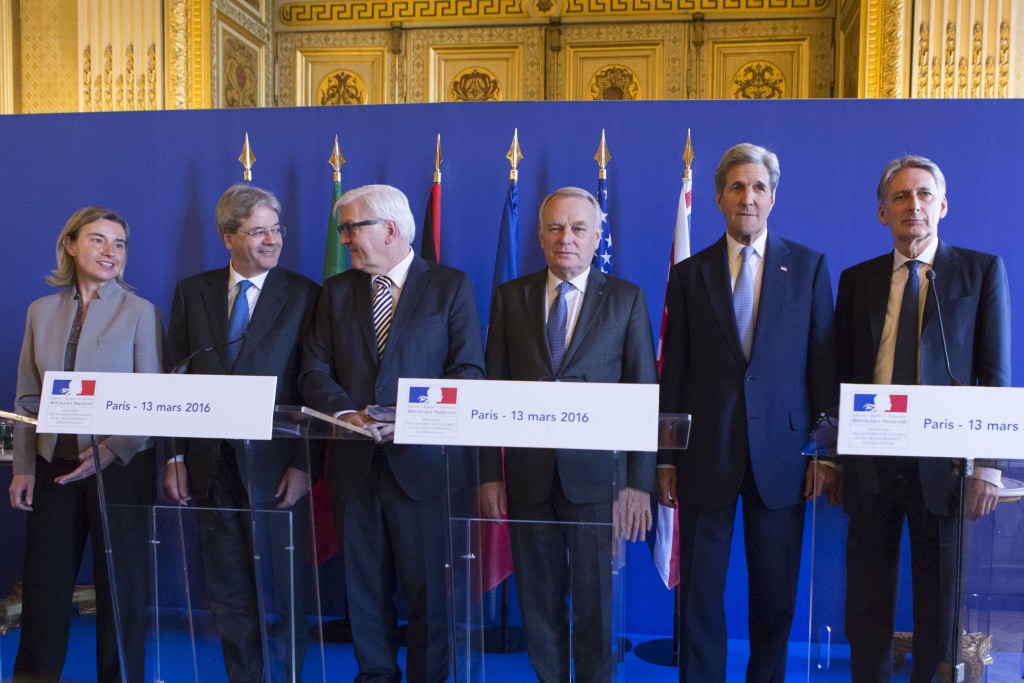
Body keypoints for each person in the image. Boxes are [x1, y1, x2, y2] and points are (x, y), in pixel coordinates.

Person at [657, 143, 837, 682]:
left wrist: (823, 455)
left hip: (783, 459)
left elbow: (823, 369)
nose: (748, 197)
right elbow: (675, 375)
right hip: (704, 458)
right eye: (737, 186)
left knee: (775, 599)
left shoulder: (808, 267)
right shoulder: (690, 275)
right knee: (700, 600)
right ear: (717, 198)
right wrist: (665, 459)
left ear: (773, 197)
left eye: (758, 187)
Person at [299, 184, 485, 683]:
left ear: (389, 229)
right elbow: (314, 372)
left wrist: (407, 419)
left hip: (424, 467)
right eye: (341, 230)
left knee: (429, 594)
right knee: (362, 592)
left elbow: (467, 372)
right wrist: (348, 416)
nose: (343, 241)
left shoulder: (450, 286)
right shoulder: (336, 292)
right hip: (355, 467)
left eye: (350, 229)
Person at [836, 155, 1010, 682]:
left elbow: (994, 375)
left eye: (924, 195)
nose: (914, 205)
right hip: (872, 459)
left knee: (938, 600)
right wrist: (835, 461)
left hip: (947, 465)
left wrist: (988, 467)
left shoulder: (980, 272)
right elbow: (842, 374)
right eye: (901, 197)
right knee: (866, 599)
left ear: (943, 206)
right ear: (882, 213)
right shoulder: (857, 280)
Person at [479, 186, 658, 682]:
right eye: (556, 227)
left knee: (596, 609)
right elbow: (490, 391)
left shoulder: (626, 300)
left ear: (597, 236)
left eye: (579, 228)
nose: (567, 238)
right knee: (537, 605)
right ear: (539, 235)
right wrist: (489, 475)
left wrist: (637, 483)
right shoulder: (508, 299)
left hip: (598, 483)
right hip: (528, 480)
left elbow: (644, 393)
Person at [163, 183, 320, 683]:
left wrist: (303, 462)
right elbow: (175, 378)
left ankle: (288, 675)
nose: (272, 240)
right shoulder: (193, 292)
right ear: (227, 236)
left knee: (285, 585)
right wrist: (175, 457)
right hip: (211, 465)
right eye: (258, 232)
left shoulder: (305, 295)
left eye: (276, 229)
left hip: (276, 467)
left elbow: (312, 384)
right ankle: (244, 676)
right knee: (227, 585)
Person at [9, 206, 163, 682]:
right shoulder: (40, 311)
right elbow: (27, 398)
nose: (110, 252)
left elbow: (152, 399)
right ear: (71, 245)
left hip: (119, 466)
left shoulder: (141, 312)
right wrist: (24, 467)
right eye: (98, 240)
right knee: (44, 584)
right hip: (54, 463)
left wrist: (110, 450)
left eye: (119, 244)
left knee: (121, 588)